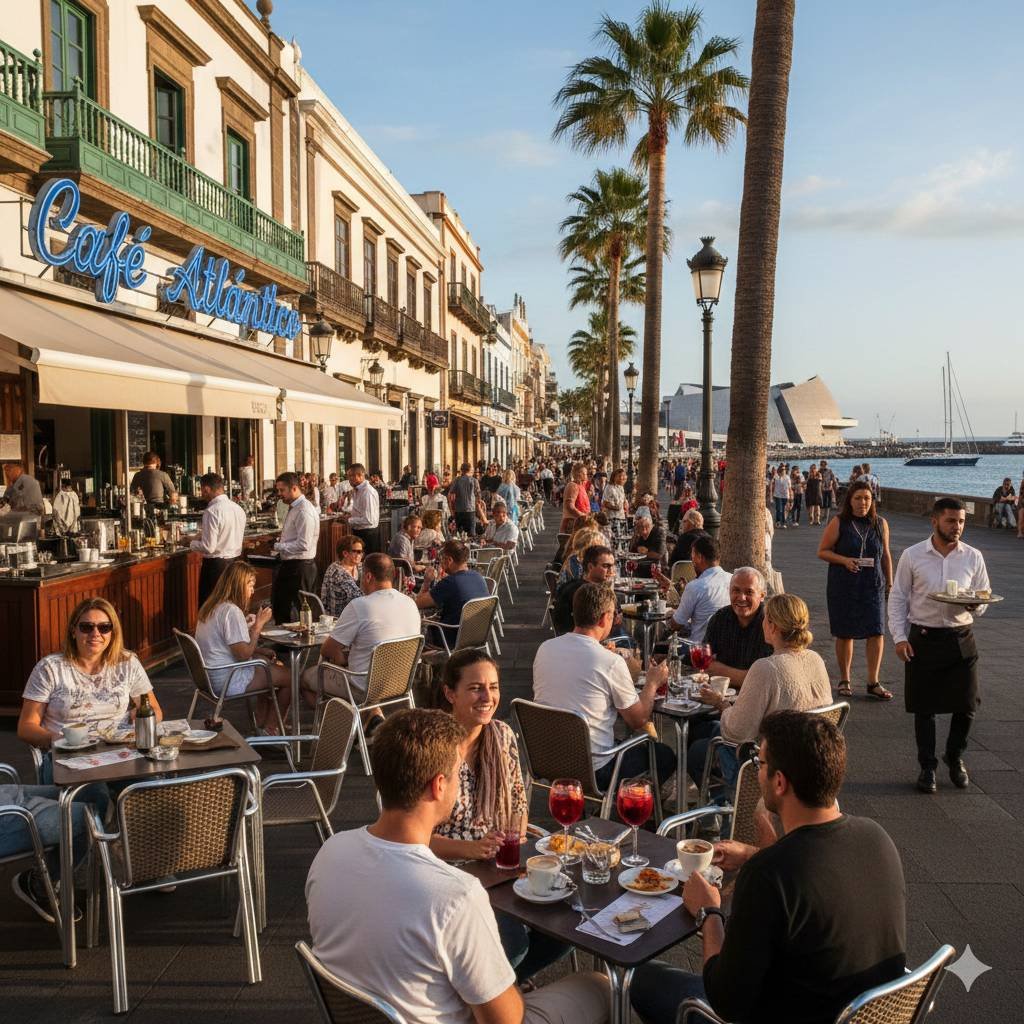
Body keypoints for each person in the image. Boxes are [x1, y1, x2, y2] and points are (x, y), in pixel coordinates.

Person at [306, 708, 610, 1024]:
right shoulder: (455, 896)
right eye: (457, 774)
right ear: (439, 785)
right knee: (600, 986)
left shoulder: (330, 853)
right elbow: (505, 1020)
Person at [631, 711, 906, 1024]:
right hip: (865, 1011)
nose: (757, 771)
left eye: (760, 763)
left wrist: (709, 913)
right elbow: (813, 876)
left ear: (779, 782)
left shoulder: (768, 874)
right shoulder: (876, 837)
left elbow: (726, 1002)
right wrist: (753, 854)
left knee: (637, 978)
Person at [430, 651, 571, 983]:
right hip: (448, 877)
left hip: (500, 868)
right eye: (475, 688)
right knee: (513, 944)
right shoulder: (432, 748)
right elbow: (412, 838)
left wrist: (514, 842)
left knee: (566, 924)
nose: (487, 697)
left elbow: (519, 804)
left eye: (493, 687)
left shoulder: (502, 735)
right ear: (450, 693)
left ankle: (496, 990)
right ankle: (489, 994)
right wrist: (472, 849)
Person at [888, 497, 991, 793]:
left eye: (961, 521)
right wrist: (899, 637)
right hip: (924, 637)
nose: (957, 526)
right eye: (951, 521)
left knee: (967, 704)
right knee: (925, 708)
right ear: (934, 521)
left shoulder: (973, 556)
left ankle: (955, 756)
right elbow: (898, 598)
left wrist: (975, 605)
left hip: (961, 638)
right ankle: (927, 767)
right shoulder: (912, 555)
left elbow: (984, 596)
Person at [534, 583, 674, 790]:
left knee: (617, 738)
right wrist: (652, 683)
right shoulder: (610, 662)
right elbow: (638, 720)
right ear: (604, 618)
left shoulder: (545, 649)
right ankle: (632, 805)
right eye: (613, 614)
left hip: (547, 760)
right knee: (664, 755)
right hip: (594, 769)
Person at [689, 593, 833, 788]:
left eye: (765, 618)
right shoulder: (815, 659)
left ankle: (731, 802)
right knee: (706, 729)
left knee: (696, 752)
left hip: (767, 764)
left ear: (772, 626)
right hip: (808, 759)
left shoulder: (766, 668)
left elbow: (737, 732)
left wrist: (721, 703)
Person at [18, 598, 164, 779]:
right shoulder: (49, 668)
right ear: (73, 631)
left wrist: (140, 718)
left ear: (113, 633)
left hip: (120, 753)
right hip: (68, 757)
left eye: (104, 627)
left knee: (153, 783)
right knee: (96, 792)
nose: (96, 633)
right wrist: (58, 740)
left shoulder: (127, 662)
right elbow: (26, 727)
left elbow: (155, 710)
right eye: (87, 627)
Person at [303, 553, 421, 705]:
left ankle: (343, 719)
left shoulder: (360, 606)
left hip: (362, 687)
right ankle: (371, 716)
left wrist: (342, 661)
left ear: (368, 577)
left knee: (305, 679)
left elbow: (327, 650)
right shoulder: (410, 603)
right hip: (401, 683)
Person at [817, 480, 894, 701]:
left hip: (872, 584)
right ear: (850, 501)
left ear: (872, 501)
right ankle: (845, 679)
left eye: (867, 498)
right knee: (845, 632)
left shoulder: (880, 523)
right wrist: (844, 560)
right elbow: (822, 551)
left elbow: (886, 555)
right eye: (858, 498)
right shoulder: (839, 522)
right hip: (844, 584)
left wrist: (890, 583)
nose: (863, 503)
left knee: (876, 631)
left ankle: (873, 681)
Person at [194, 562, 292, 732]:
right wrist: (258, 626)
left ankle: (262, 721)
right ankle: (272, 728)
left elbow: (227, 646)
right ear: (239, 585)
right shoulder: (231, 611)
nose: (253, 591)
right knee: (290, 678)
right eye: (250, 585)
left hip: (208, 676)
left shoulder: (211, 607)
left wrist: (259, 650)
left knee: (267, 662)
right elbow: (243, 655)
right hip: (227, 680)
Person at [4, 782, 89, 924]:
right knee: (89, 816)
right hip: (8, 817)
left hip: (9, 796)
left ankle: (56, 878)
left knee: (93, 791)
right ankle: (41, 884)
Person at [702, 568, 773, 688]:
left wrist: (722, 672)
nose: (741, 598)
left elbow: (766, 680)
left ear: (762, 596)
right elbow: (705, 663)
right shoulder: (720, 618)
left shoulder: (771, 624)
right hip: (721, 693)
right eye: (736, 590)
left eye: (749, 592)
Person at [415, 540, 490, 647]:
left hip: (452, 639)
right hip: (478, 635)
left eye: (441, 559)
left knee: (416, 629)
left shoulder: (450, 582)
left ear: (449, 560)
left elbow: (417, 603)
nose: (441, 562)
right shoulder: (478, 576)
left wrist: (427, 581)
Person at [270, 472, 320, 625]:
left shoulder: (304, 510)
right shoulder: (295, 507)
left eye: (282, 490)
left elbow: (304, 545)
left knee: (304, 612)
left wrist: (277, 546)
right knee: (280, 606)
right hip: (291, 565)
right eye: (278, 490)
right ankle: (283, 639)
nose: (279, 494)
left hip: (300, 567)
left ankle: (303, 640)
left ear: (294, 488)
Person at [190, 472, 246, 607]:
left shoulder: (212, 511)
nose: (201, 494)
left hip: (216, 567)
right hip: (235, 563)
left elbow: (209, 547)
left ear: (206, 489)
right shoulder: (238, 508)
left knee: (210, 608)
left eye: (201, 490)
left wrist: (190, 543)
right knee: (231, 606)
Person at [669, 536, 732, 646]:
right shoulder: (733, 579)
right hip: (727, 647)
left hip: (700, 649)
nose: (692, 561)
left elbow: (676, 624)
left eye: (692, 556)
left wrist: (669, 616)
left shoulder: (696, 586)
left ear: (699, 557)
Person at [551, 544, 621, 636]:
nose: (611, 570)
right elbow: (612, 621)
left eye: (612, 566)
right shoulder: (589, 593)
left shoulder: (571, 585)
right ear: (590, 567)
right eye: (606, 566)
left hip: (566, 638)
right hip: (585, 639)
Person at [319, 534, 364, 617]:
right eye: (356, 552)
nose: (360, 555)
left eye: (361, 552)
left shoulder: (359, 566)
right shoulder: (337, 572)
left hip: (353, 612)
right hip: (339, 618)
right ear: (345, 553)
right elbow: (358, 597)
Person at [344, 463, 381, 554]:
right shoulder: (358, 490)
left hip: (368, 535)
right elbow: (360, 511)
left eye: (350, 476)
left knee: (367, 561)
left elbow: (369, 519)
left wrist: (349, 520)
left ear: (360, 475)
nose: (349, 479)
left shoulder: (367, 492)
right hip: (360, 533)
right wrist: (350, 514)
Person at [628, 507, 665, 577]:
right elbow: (631, 550)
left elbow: (659, 554)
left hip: (655, 569)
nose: (636, 525)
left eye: (638, 526)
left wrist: (645, 553)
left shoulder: (659, 532)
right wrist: (635, 535)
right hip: (639, 567)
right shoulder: (639, 533)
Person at [451, 462, 481, 536]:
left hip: (459, 510)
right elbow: (478, 496)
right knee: (471, 533)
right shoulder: (474, 481)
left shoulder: (457, 480)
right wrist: (478, 507)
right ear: (470, 470)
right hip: (470, 510)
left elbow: (451, 493)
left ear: (462, 470)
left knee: (459, 533)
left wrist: (452, 507)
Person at [559, 462, 590, 533]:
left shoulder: (580, 486)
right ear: (578, 474)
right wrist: (582, 515)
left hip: (581, 522)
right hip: (573, 523)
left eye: (586, 474)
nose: (586, 476)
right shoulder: (573, 485)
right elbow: (570, 506)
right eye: (584, 474)